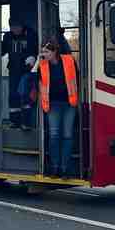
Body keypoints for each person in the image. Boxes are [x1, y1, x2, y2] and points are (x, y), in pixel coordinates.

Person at [37, 38, 79, 179]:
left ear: (54, 52)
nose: (44, 54)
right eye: (42, 51)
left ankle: (65, 169)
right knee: (54, 136)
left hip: (69, 103)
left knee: (67, 136)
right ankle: (55, 168)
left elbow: (76, 78)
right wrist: (37, 61)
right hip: (52, 104)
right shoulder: (42, 65)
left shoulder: (69, 60)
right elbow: (33, 78)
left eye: (46, 51)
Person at [1, 18, 38, 129]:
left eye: (17, 27)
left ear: (22, 26)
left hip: (27, 71)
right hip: (13, 70)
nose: (15, 29)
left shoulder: (31, 35)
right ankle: (14, 122)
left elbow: (37, 50)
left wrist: (33, 57)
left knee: (25, 96)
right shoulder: (7, 36)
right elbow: (2, 51)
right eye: (12, 27)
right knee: (13, 96)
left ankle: (26, 123)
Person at [17, 56, 37, 131]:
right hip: (30, 98)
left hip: (27, 98)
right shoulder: (31, 75)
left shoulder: (26, 76)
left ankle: (26, 124)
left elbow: (21, 91)